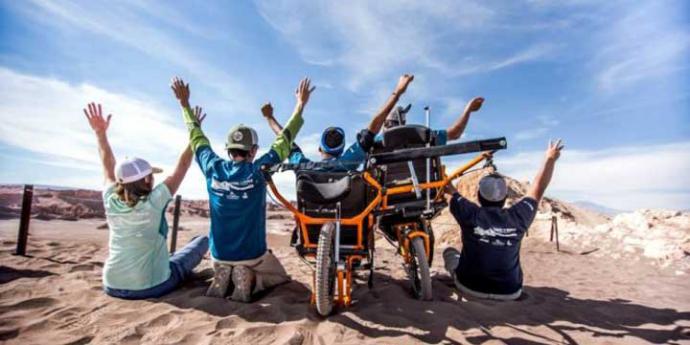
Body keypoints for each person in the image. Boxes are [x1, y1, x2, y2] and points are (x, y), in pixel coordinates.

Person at [171, 76, 315, 302]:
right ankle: (252, 280)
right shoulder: (259, 170)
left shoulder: (212, 167)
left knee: (223, 261)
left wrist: (185, 105)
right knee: (279, 276)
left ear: (229, 150)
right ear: (254, 150)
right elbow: (285, 139)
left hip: (219, 254)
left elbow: (196, 138)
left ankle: (224, 273)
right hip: (251, 255)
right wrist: (300, 105)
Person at [84, 102, 209, 300]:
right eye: (151, 175)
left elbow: (107, 164)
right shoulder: (153, 201)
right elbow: (183, 165)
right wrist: (195, 131)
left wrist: (100, 133)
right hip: (150, 286)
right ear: (146, 179)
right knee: (201, 242)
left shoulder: (110, 198)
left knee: (171, 257)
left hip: (111, 284)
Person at [442, 139, 565, 300]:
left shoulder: (470, 212)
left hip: (470, 287)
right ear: (505, 197)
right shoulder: (519, 215)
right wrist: (550, 158)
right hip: (510, 291)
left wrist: (437, 163)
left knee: (450, 253)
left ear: (478, 196)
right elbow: (538, 187)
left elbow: (446, 188)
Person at [261, 74, 415, 171]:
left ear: (320, 149)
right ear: (341, 151)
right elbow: (373, 127)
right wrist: (398, 92)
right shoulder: (348, 162)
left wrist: (270, 117)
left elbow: (285, 138)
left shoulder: (303, 166)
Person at [380, 94, 485, 145]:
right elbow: (455, 133)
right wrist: (468, 110)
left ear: (384, 122)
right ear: (404, 123)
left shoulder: (373, 141)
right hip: (423, 185)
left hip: (380, 187)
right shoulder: (421, 135)